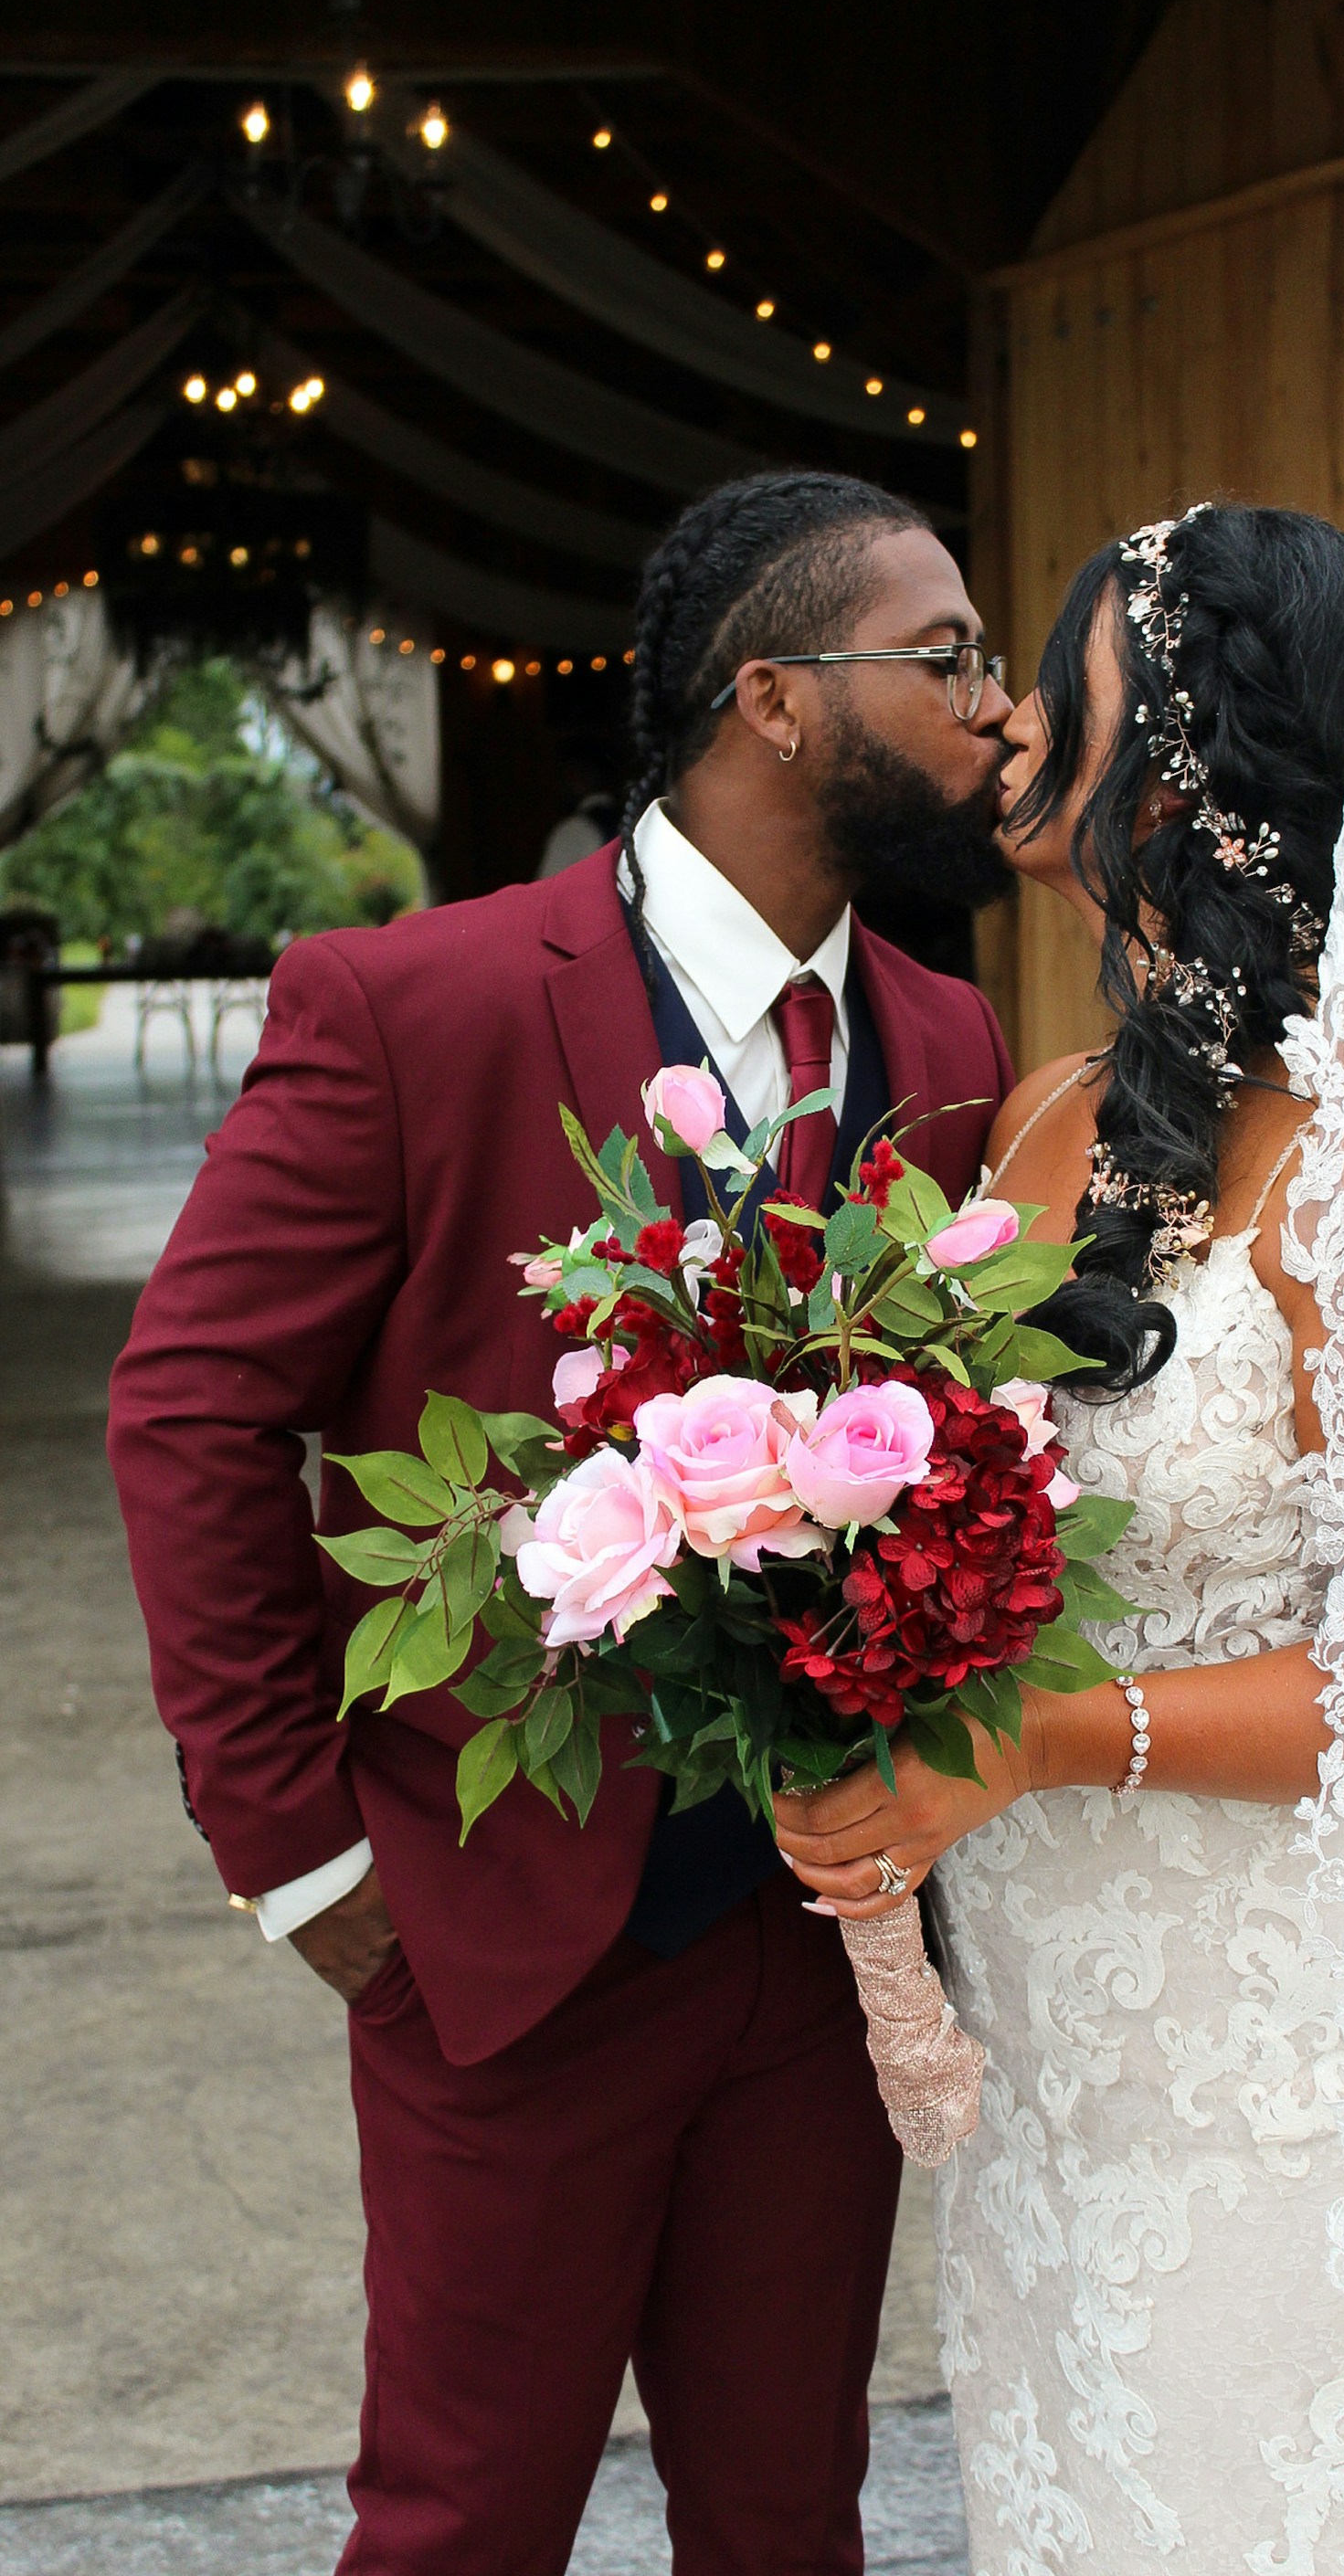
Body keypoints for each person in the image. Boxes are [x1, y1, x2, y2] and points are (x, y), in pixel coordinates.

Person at [108, 468, 1016, 2576]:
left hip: (817, 1938)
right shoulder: (410, 1004)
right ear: (776, 698)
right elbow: (192, 1410)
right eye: (947, 656)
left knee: (792, 2517)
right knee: (462, 2524)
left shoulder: (954, 1038)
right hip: (500, 1933)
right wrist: (298, 1851)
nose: (992, 706)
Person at [776, 503, 1344, 2571]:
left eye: (1066, 678)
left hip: (1310, 2063)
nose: (1011, 723)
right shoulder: (1043, 1120)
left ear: (1190, 749)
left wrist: (1027, 1741)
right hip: (1070, 2050)